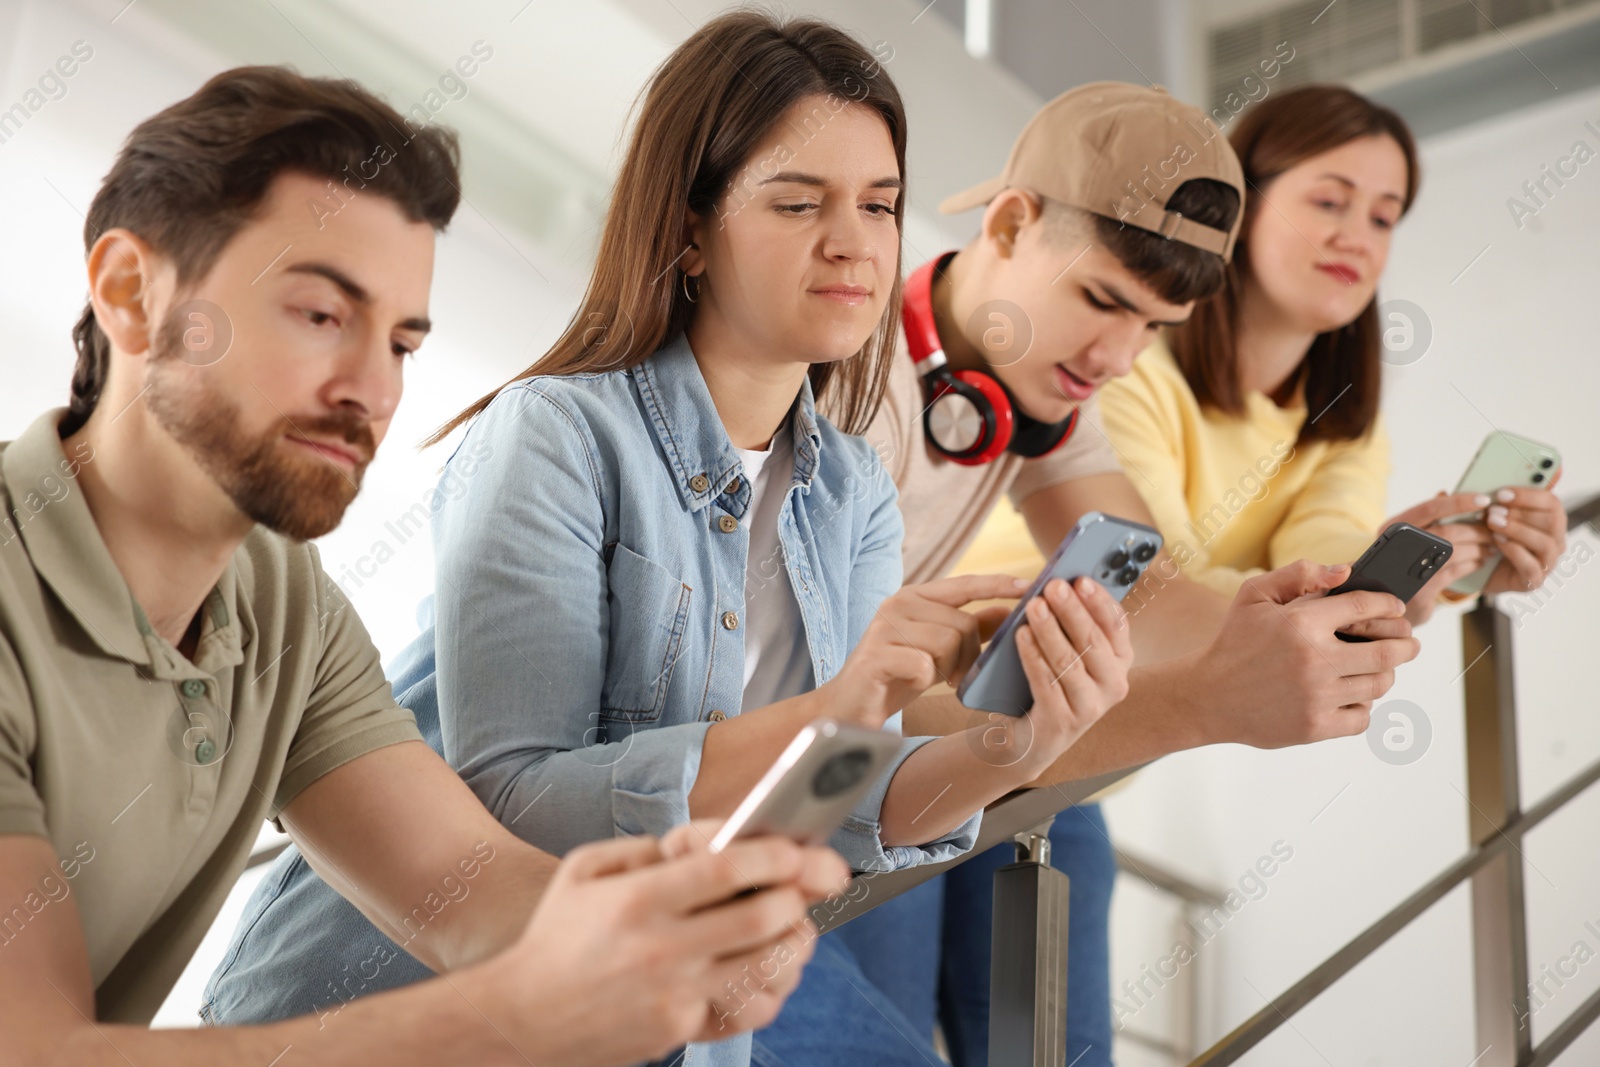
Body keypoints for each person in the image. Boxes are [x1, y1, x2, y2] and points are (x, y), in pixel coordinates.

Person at [202, 14, 1130, 1067]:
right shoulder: (552, 434)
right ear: (689, 231)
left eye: (879, 205)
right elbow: (515, 799)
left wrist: (1010, 747)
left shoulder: (853, 491)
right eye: (798, 202)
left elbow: (827, 811)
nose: (853, 241)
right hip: (392, 1011)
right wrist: (839, 704)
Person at [0, 65, 850, 1067]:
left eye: (401, 341)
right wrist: (504, 1015)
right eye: (321, 314)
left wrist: (663, 932)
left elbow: (467, 881)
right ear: (130, 293)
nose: (372, 387)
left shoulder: (282, 608)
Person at [756, 83, 1430, 1067]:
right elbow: (862, 727)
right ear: (1010, 221)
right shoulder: (836, 371)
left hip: (844, 790)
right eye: (1101, 300)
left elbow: (1139, 577)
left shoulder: (1041, 395)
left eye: (1154, 325)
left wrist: (1268, 621)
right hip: (728, 808)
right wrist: (1205, 699)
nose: (1116, 356)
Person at [1098, 84, 1568, 615]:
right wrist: (1365, 590)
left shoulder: (1344, 413)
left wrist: (1405, 570)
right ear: (1243, 206)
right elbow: (1162, 594)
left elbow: (1324, 540)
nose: (1358, 240)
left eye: (1382, 219)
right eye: (1329, 203)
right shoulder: (1123, 368)